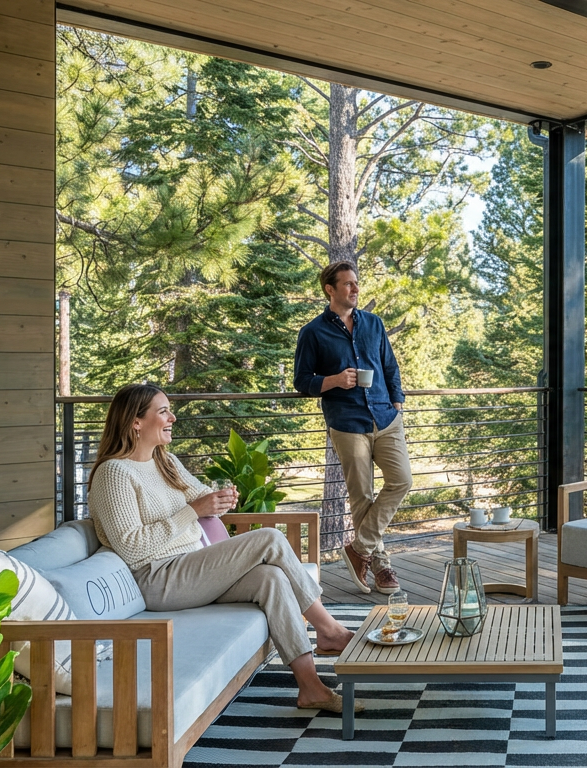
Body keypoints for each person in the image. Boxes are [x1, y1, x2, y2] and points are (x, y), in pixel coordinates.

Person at [87, 383, 360, 713]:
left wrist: (219, 500)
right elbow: (132, 548)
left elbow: (203, 497)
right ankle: (329, 630)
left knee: (269, 578)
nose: (172, 417)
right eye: (163, 412)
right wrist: (194, 511)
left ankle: (310, 687)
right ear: (135, 422)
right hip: (157, 579)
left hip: (190, 567)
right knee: (270, 538)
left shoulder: (165, 461)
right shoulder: (114, 472)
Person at [294, 261, 412, 595]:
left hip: (385, 418)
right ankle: (382, 565)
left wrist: (397, 405)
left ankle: (359, 548)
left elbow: (390, 367)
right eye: (347, 284)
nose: (355, 289)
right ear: (330, 289)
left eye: (356, 283)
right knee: (361, 495)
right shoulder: (313, 332)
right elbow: (302, 381)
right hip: (346, 422)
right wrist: (334, 380)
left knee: (402, 479)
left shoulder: (374, 324)